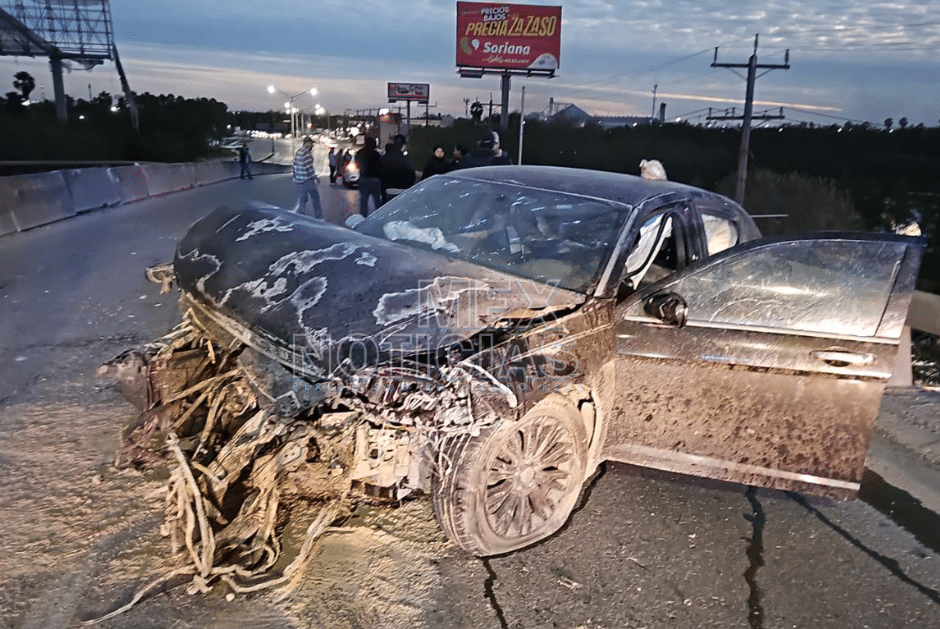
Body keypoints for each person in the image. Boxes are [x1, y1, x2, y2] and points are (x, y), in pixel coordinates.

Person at [292, 136, 323, 218]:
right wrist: (315, 178)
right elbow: (309, 167)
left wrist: (295, 177)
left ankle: (300, 217)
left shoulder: (299, 152)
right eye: (311, 144)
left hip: (299, 180)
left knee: (302, 200)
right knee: (315, 197)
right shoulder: (307, 153)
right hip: (307, 179)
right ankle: (318, 217)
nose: (312, 145)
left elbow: (294, 165)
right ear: (307, 143)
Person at [380, 134, 416, 202]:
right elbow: (412, 174)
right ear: (402, 145)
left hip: (389, 189)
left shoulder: (385, 158)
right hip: (403, 189)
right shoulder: (405, 158)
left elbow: (381, 174)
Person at [354, 136, 382, 217]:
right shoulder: (376, 154)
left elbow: (357, 165)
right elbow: (380, 165)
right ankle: (379, 218)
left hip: (364, 178)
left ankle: (363, 219)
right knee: (377, 202)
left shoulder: (360, 153)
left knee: (363, 202)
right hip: (375, 179)